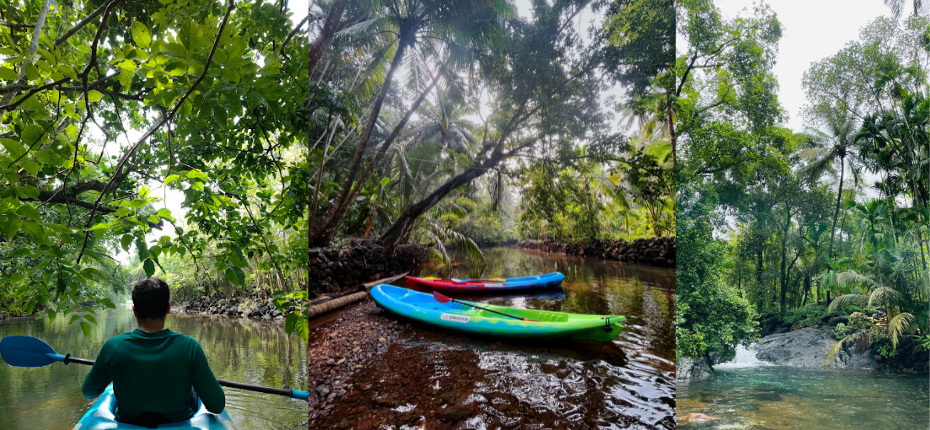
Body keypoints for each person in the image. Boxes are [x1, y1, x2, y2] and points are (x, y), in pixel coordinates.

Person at [82, 277, 225, 427]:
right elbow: (217, 405)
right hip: (180, 423)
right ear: (168, 309)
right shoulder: (189, 347)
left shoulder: (113, 347)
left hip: (129, 424)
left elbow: (89, 392)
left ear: (135, 311)